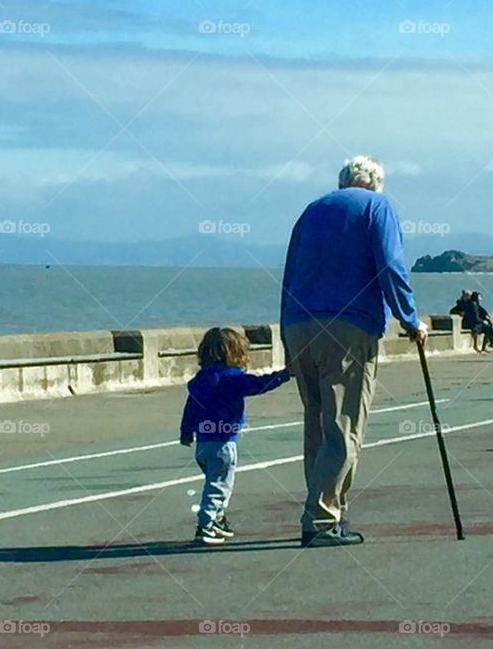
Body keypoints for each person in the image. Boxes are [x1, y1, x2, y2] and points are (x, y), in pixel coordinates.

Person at [281, 155, 427, 548]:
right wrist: (410, 320)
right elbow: (390, 266)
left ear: (342, 181)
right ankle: (323, 519)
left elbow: (289, 272)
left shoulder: (312, 210)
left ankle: (326, 508)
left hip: (299, 324)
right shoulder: (378, 207)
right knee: (344, 425)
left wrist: (285, 340)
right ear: (376, 183)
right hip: (348, 326)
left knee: (316, 422)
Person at [179, 327, 291, 545]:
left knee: (216, 481)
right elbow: (260, 384)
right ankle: (206, 524)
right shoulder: (231, 378)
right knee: (219, 484)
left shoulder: (200, 381)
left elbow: (190, 408)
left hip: (203, 442)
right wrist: (285, 375)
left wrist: (186, 432)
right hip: (223, 442)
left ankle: (218, 520)